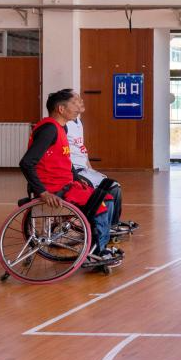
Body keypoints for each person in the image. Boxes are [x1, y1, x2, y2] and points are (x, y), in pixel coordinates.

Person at [18, 89, 120, 263]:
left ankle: (97, 246)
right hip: (54, 189)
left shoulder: (61, 128)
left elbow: (66, 160)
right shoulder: (49, 129)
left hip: (66, 185)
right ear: (61, 109)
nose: (78, 108)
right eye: (74, 104)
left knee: (107, 196)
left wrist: (78, 179)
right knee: (102, 203)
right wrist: (43, 192)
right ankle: (98, 252)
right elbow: (26, 162)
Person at [67, 92, 134, 232]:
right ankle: (103, 226)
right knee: (111, 188)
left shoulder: (78, 121)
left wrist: (91, 169)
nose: (81, 101)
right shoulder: (63, 125)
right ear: (65, 106)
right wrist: (74, 175)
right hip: (74, 171)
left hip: (84, 169)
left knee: (114, 185)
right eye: (76, 100)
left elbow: (82, 149)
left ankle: (111, 224)